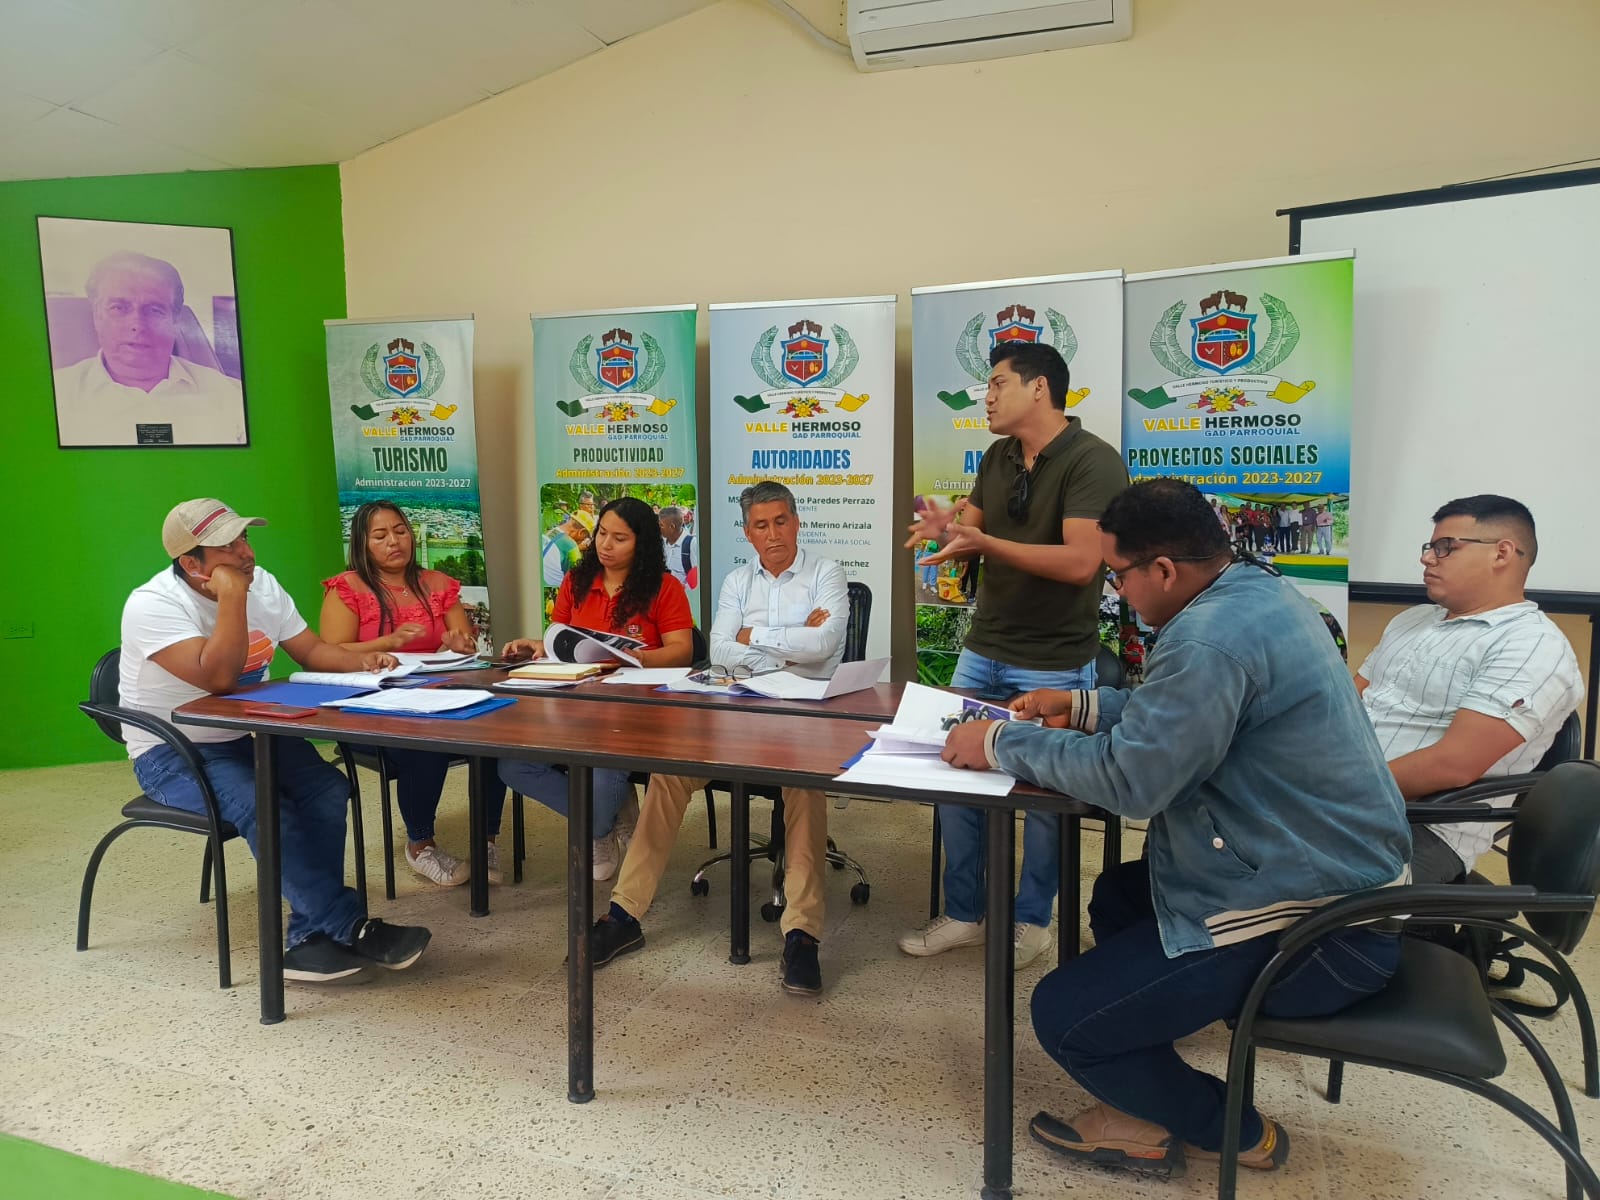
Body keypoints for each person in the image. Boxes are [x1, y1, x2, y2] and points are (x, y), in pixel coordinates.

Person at [941, 478, 1409, 1179]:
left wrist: (1000, 742)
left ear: (1162, 570)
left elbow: (1135, 781)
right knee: (1119, 898)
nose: (1116, 590)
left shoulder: (1208, 637)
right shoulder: (1256, 592)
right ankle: (1144, 1055)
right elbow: (1184, 711)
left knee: (1064, 1017)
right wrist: (1084, 706)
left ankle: (1234, 1130)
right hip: (1331, 877)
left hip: (1323, 931)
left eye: (1118, 574)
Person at [121, 499, 432, 982]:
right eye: (227, 547)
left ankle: (307, 940)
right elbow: (219, 679)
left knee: (327, 787)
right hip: (175, 750)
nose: (245, 553)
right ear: (191, 564)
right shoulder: (153, 604)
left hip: (253, 733)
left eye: (244, 538)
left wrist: (364, 662)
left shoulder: (261, 583)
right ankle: (350, 926)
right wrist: (232, 597)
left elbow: (311, 650)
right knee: (265, 805)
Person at [899, 341, 1127, 968]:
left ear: (1039, 388)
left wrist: (984, 542)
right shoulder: (998, 456)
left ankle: (1032, 921)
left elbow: (1081, 563)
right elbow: (972, 525)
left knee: (1043, 791)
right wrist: (947, 530)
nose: (988, 397)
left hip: (1054, 659)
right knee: (954, 772)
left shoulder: (1093, 461)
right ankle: (965, 912)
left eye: (998, 383)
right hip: (984, 648)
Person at [587, 481, 848, 995]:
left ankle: (801, 935)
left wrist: (756, 637)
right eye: (760, 525)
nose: (772, 534)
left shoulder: (827, 573)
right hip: (737, 712)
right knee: (668, 774)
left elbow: (824, 645)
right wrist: (789, 645)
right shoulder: (736, 581)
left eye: (781, 521)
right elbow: (723, 653)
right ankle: (624, 914)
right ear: (748, 532)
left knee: (805, 789)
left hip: (803, 717)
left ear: (796, 522)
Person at [1358, 495, 1583, 884]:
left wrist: (1332, 792)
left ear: (1502, 553)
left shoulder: (1531, 645)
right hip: (1345, 804)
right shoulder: (1412, 621)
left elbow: (1454, 764)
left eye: (1445, 547)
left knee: (1259, 891)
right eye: (1429, 547)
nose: (1427, 559)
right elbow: (1345, 708)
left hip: (1418, 827)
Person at [498, 496, 695, 881]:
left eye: (619, 538)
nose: (605, 545)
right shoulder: (577, 580)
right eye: (602, 533)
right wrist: (537, 646)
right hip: (573, 706)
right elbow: (560, 638)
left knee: (604, 772)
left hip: (633, 713)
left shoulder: (664, 587)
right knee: (512, 765)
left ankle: (599, 825)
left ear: (642, 543)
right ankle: (606, 821)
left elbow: (682, 650)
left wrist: (637, 658)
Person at [320, 501, 483, 888]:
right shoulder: (348, 588)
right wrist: (387, 642)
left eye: (400, 531)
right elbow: (330, 652)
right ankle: (420, 844)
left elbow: (464, 642)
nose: (394, 541)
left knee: (492, 729)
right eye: (380, 535)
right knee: (425, 743)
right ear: (362, 543)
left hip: (433, 696)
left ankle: (487, 840)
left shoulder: (438, 584)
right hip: (369, 707)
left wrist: (459, 643)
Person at [53, 252, 246, 447]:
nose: (137, 325)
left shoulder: (233, 397)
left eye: (154, 310)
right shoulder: (54, 396)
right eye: (118, 308)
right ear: (97, 316)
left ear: (175, 320)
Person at [541, 511, 593, 587]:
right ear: (582, 532)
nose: (583, 540)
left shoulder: (549, 532)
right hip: (552, 590)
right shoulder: (571, 547)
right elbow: (579, 580)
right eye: (585, 537)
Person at [658, 504, 698, 590]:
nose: (658, 528)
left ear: (672, 527)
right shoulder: (661, 543)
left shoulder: (691, 544)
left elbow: (697, 577)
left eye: (661, 525)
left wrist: (684, 588)